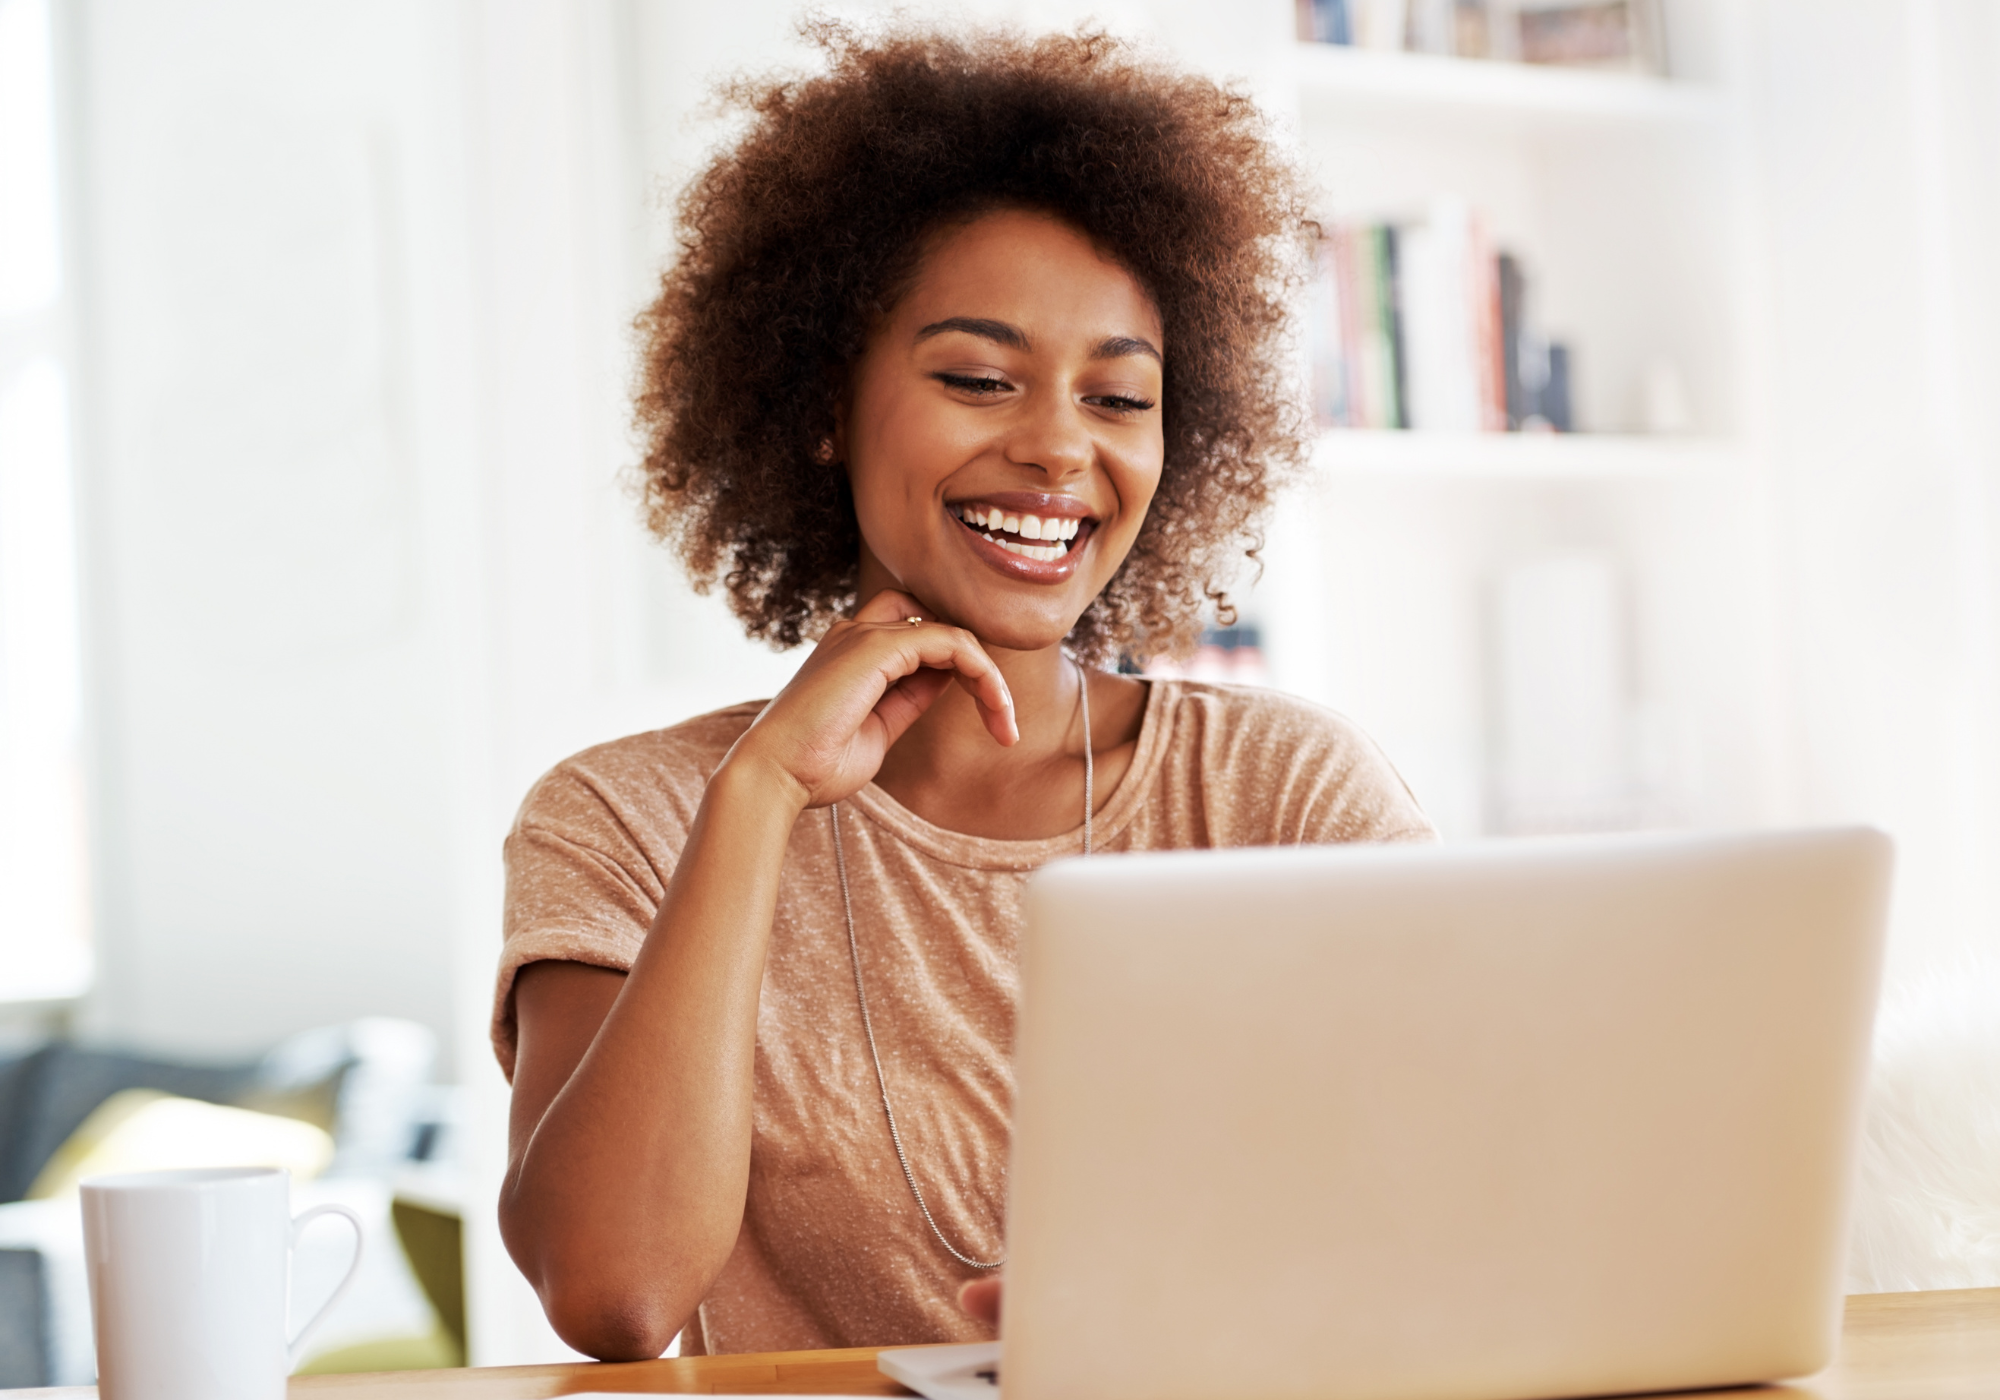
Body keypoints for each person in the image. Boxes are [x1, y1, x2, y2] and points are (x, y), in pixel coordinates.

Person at [491, 22, 1434, 1364]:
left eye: (1118, 397)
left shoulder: (1283, 795)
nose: (1057, 447)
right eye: (979, 379)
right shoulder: (624, 818)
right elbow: (615, 1292)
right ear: (826, 403)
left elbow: (1454, 1217)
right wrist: (758, 797)